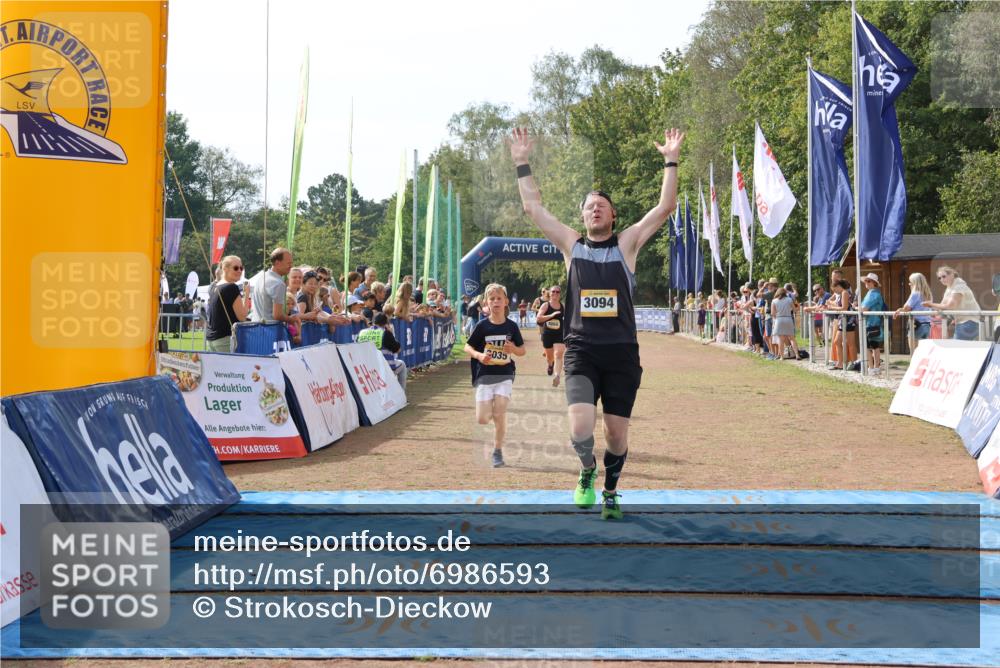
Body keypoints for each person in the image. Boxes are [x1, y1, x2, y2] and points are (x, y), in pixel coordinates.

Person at [510, 125, 683, 519]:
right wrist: (522, 162)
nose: (596, 209)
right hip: (582, 351)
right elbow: (533, 209)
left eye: (602, 205)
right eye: (590, 206)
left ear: (613, 214)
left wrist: (671, 160)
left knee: (616, 434)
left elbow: (665, 207)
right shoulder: (571, 245)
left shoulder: (627, 244)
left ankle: (610, 491)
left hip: (621, 354)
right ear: (582, 216)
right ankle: (587, 469)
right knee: (580, 428)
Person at [464, 283, 526, 468]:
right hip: (485, 375)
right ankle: (493, 412)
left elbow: (522, 350)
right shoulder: (482, 326)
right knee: (483, 419)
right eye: (492, 299)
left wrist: (513, 348)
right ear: (486, 303)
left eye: (499, 298)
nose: (496, 302)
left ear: (506, 302)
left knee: (499, 413)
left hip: (504, 374)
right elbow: (468, 346)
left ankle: (497, 451)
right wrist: (479, 356)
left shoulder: (511, 326)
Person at [248, 248, 301, 333]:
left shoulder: (262, 278)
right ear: (277, 263)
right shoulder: (278, 284)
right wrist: (291, 319)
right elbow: (277, 315)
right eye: (288, 263)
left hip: (256, 330)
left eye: (291, 263)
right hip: (270, 331)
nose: (291, 266)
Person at [925, 266, 982, 341]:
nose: (942, 279)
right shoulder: (950, 288)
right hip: (965, 322)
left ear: (952, 274)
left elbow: (950, 305)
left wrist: (931, 305)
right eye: (939, 278)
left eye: (944, 276)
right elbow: (942, 305)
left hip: (969, 322)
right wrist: (933, 312)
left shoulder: (958, 286)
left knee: (956, 347)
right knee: (961, 347)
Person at [206, 255, 250, 352]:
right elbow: (242, 317)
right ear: (225, 268)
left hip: (211, 339)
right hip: (225, 339)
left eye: (241, 268)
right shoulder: (231, 287)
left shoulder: (214, 286)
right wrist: (247, 293)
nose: (239, 271)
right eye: (236, 268)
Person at [358, 312, 407, 392]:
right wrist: (391, 333)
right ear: (386, 323)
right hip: (383, 368)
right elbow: (398, 350)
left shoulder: (362, 332)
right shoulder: (385, 333)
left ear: (373, 322)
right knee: (402, 365)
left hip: (365, 368)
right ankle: (401, 393)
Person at [893, 272, 933, 354]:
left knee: (914, 352)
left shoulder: (915, 293)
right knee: (923, 352)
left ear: (915, 283)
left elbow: (906, 308)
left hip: (916, 325)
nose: (909, 284)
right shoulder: (928, 294)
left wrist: (900, 309)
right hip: (927, 325)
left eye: (910, 282)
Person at [536, 285, 566, 387]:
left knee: (558, 354)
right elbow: (538, 318)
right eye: (553, 291)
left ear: (560, 294)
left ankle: (557, 376)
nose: (555, 293)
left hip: (559, 334)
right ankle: (550, 364)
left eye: (557, 292)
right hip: (547, 334)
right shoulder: (546, 305)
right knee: (550, 357)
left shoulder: (563, 306)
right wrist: (551, 315)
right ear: (550, 293)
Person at [859, 273, 888, 374]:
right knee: (875, 346)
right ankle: (875, 367)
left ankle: (871, 368)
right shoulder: (873, 293)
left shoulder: (873, 294)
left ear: (874, 283)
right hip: (872, 323)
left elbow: (864, 308)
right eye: (865, 281)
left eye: (868, 281)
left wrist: (856, 308)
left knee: (868, 346)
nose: (866, 283)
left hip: (871, 323)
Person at [770, 286, 798, 360]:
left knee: (781, 339)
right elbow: (794, 310)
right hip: (788, 318)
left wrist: (776, 318)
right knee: (792, 338)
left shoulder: (774, 301)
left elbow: (772, 313)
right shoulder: (789, 299)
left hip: (779, 319)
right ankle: (797, 355)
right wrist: (797, 308)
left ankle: (782, 357)